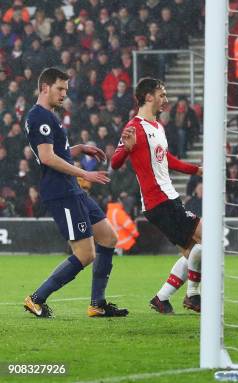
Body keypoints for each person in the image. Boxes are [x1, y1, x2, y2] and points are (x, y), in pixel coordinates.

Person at [23, 67, 128, 318]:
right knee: (85, 253)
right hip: (62, 192)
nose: (63, 94)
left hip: (72, 190)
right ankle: (36, 298)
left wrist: (79, 148)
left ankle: (97, 304)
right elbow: (47, 157)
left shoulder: (50, 115)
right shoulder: (39, 117)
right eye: (60, 89)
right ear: (44, 87)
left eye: (66, 90)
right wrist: (84, 174)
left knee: (109, 238)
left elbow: (56, 151)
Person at [111, 77, 203, 314]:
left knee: (195, 250)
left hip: (168, 198)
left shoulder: (158, 127)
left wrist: (196, 169)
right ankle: (192, 295)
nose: (166, 99)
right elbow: (115, 162)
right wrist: (127, 148)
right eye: (162, 94)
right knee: (205, 244)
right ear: (148, 96)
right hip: (158, 201)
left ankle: (163, 299)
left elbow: (167, 159)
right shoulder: (134, 127)